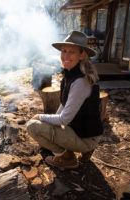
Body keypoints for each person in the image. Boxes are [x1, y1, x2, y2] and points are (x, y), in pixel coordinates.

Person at [26, 30, 103, 170]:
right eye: (64, 51)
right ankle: (68, 151)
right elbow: (63, 104)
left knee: (32, 126)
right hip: (82, 131)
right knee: (43, 124)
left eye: (71, 52)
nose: (65, 56)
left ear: (82, 55)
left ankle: (67, 158)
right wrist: (49, 123)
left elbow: (64, 120)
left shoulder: (80, 82)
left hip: (86, 137)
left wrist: (41, 117)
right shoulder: (70, 75)